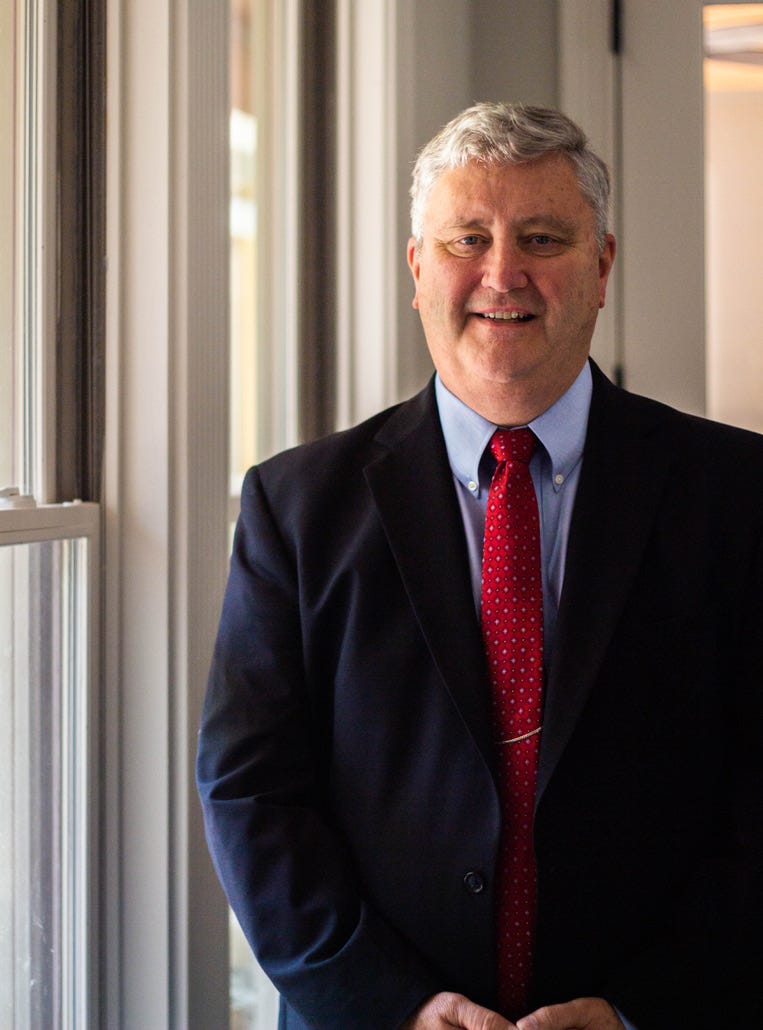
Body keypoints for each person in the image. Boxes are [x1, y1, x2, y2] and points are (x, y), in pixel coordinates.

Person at [196, 102, 763, 1029]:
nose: (503, 273)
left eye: (541, 237)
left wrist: (640, 1008)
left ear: (602, 266)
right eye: (467, 239)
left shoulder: (738, 495)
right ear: (418, 269)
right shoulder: (296, 508)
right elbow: (251, 789)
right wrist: (394, 1005)